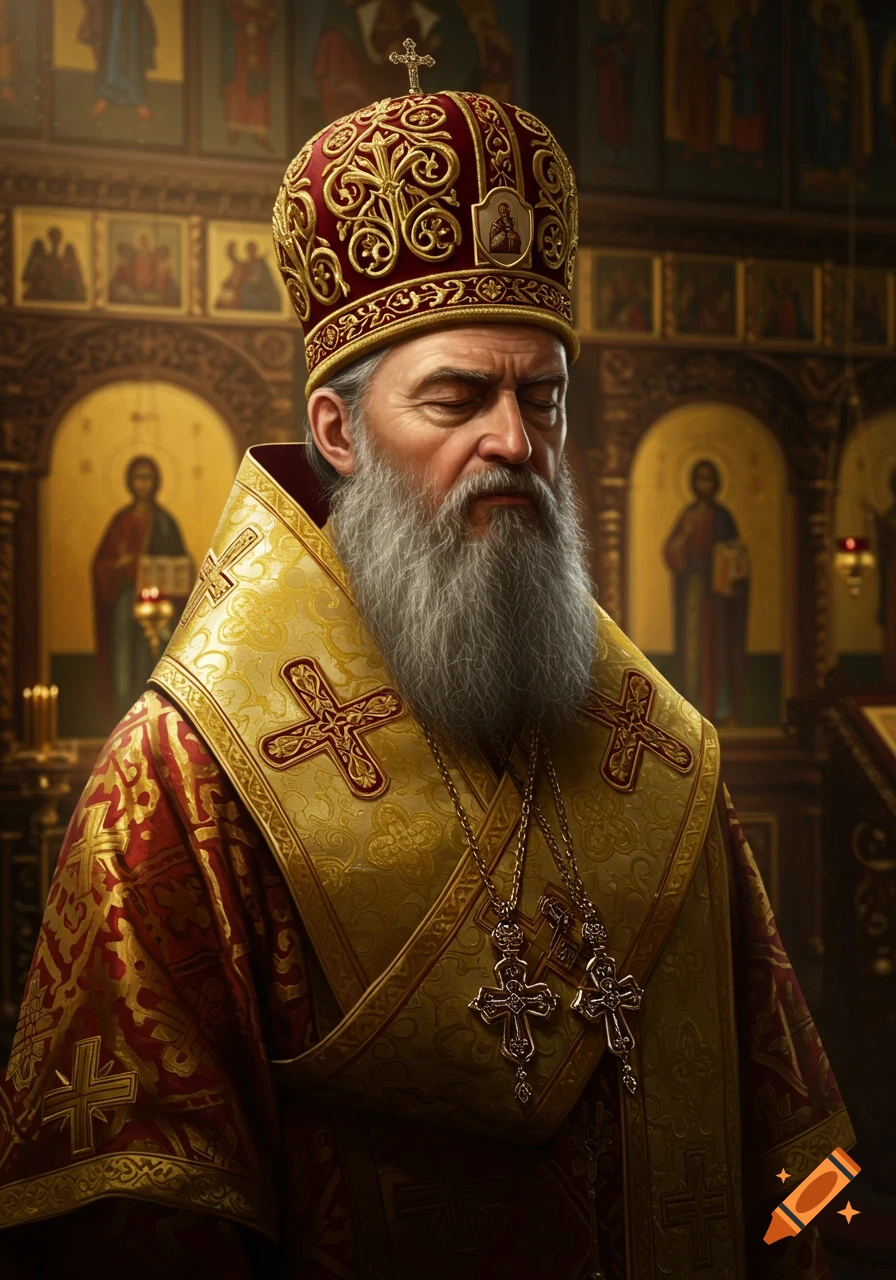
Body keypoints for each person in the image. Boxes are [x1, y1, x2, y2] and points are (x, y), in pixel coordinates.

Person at [0, 74, 851, 1280]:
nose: (513, 440)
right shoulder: (188, 780)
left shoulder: (657, 751)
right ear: (337, 432)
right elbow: (135, 1210)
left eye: (542, 399)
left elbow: (796, 1148)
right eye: (456, 397)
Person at [91, 455, 190, 724]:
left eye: (147, 478)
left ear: (156, 482)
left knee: (156, 658)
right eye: (138, 478)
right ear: (129, 482)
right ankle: (124, 717)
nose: (143, 484)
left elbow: (180, 564)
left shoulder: (165, 522)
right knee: (126, 659)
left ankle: (159, 717)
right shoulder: (121, 521)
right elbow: (101, 565)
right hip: (126, 603)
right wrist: (121, 565)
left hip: (161, 606)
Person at [664, 459, 750, 725]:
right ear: (693, 483)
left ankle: (720, 709)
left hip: (719, 594)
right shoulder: (688, 515)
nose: (705, 485)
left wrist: (727, 561)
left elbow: (737, 555)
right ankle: (692, 708)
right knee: (693, 648)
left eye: (709, 479)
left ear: (717, 484)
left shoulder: (723, 516)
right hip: (693, 590)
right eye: (700, 479)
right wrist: (684, 537)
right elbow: (671, 551)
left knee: (718, 647)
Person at [77, 0, 157, 122]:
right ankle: (104, 94)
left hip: (132, 8)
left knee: (133, 48)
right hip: (109, 7)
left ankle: (137, 97)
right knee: (110, 47)